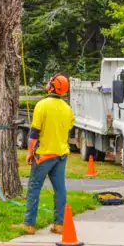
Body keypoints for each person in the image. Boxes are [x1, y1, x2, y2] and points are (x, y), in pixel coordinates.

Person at [14, 74, 76, 236]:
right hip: (61, 155)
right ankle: (59, 224)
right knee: (60, 189)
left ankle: (28, 224)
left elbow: (34, 134)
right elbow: (69, 126)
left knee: (34, 188)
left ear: (53, 86)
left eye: (49, 82)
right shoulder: (67, 108)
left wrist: (29, 153)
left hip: (44, 156)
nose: (47, 84)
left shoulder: (42, 105)